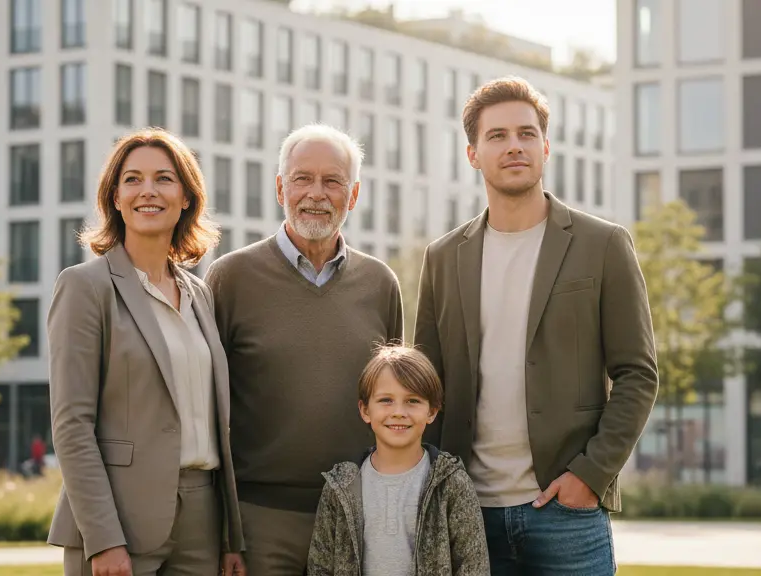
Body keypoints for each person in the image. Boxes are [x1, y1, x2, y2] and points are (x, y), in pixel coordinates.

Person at [414, 76, 659, 574]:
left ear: (545, 148)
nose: (514, 146)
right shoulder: (442, 258)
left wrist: (590, 476)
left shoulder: (603, 244)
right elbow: (426, 382)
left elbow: (637, 373)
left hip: (565, 509)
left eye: (526, 134)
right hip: (467, 511)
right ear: (473, 154)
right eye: (497, 136)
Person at [205, 123, 404, 575]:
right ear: (280, 188)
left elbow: (394, 409)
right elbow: (207, 412)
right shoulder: (230, 278)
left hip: (357, 518)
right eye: (302, 178)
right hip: (258, 523)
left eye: (332, 181)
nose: (316, 193)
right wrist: (225, 532)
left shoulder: (380, 285)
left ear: (352, 196)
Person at [46, 128, 245, 576]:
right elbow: (72, 426)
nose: (148, 191)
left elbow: (216, 422)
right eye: (132, 179)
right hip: (120, 522)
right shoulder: (84, 287)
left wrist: (232, 537)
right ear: (115, 198)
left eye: (164, 179)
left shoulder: (200, 294)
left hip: (203, 522)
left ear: (187, 197)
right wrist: (103, 538)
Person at [307, 345, 489, 576]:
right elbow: (320, 566)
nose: (399, 412)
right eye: (386, 400)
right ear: (365, 410)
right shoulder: (340, 486)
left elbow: (474, 567)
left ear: (432, 411)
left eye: (412, 401)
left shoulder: (452, 484)